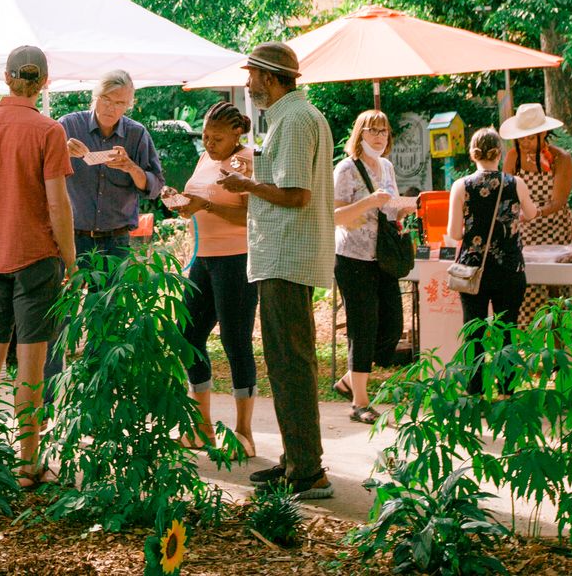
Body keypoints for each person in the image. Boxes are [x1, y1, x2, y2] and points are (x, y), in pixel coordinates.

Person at [218, 42, 336, 502]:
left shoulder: (294, 119)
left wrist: (246, 182)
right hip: (286, 254)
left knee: (290, 363)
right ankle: (296, 461)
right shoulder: (292, 117)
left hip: (288, 255)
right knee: (288, 363)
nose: (248, 85)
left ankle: (308, 472)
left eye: (251, 76)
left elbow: (296, 194)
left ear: (268, 77)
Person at [0, 46, 73, 487]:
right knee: (31, 363)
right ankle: (28, 463)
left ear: (6, 78)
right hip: (36, 257)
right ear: (44, 81)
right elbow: (57, 202)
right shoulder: (49, 130)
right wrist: (70, 257)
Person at [164, 101, 258, 456]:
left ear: (237, 133)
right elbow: (201, 199)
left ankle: (244, 433)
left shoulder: (244, 160)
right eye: (204, 136)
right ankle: (202, 426)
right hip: (203, 259)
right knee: (188, 336)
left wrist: (206, 206)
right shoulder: (206, 159)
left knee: (236, 342)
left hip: (236, 260)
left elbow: (252, 214)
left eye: (216, 138)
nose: (209, 143)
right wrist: (181, 202)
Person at [446, 127, 538, 395]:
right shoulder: (515, 183)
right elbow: (531, 214)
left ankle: (474, 392)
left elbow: (454, 233)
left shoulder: (461, 186)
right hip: (509, 268)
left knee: (473, 333)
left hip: (472, 270)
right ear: (499, 152)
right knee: (507, 332)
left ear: (472, 154)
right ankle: (507, 390)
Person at [330, 109, 404, 425]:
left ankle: (349, 379)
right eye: (372, 130)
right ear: (359, 134)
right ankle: (360, 402)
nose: (378, 136)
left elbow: (393, 205)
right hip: (352, 256)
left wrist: (404, 212)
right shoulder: (346, 169)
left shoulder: (386, 166)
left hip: (383, 256)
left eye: (383, 131)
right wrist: (369, 203)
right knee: (362, 327)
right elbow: (334, 215)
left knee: (392, 326)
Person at [59, 70, 165, 266]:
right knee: (68, 296)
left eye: (120, 103)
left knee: (111, 297)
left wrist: (132, 168)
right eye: (106, 99)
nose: (112, 108)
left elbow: (155, 187)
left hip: (116, 240)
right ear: (95, 97)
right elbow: (40, 170)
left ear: (128, 105)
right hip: (72, 235)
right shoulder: (68, 126)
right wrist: (61, 153)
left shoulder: (136, 134)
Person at [500, 103, 572, 324]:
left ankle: (560, 348)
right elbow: (506, 193)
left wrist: (534, 213)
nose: (525, 143)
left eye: (530, 138)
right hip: (526, 232)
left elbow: (559, 201)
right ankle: (531, 347)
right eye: (521, 138)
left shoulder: (561, 158)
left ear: (543, 133)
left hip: (556, 231)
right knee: (527, 290)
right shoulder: (513, 157)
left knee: (557, 295)